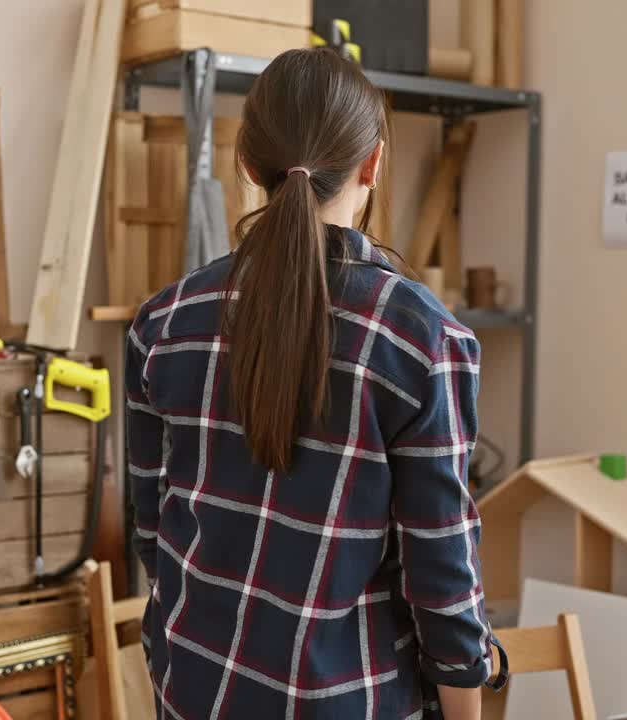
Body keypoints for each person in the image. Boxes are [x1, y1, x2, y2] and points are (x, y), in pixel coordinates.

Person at [126, 47, 505, 720]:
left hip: (195, 693)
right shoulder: (420, 338)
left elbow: (155, 534)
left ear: (247, 168)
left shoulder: (164, 320)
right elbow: (441, 583)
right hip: (346, 702)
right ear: (374, 163)